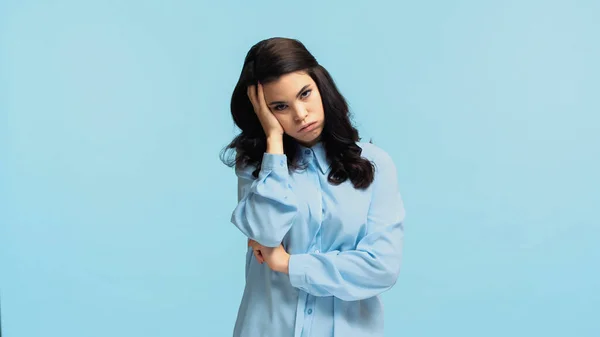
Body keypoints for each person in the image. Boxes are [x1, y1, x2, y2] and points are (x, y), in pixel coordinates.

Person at [220, 37, 406, 337]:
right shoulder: (258, 168)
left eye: (305, 94)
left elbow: (382, 267)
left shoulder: (375, 164)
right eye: (280, 107)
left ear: (321, 85)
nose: (300, 114)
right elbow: (266, 232)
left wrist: (288, 264)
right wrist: (274, 142)